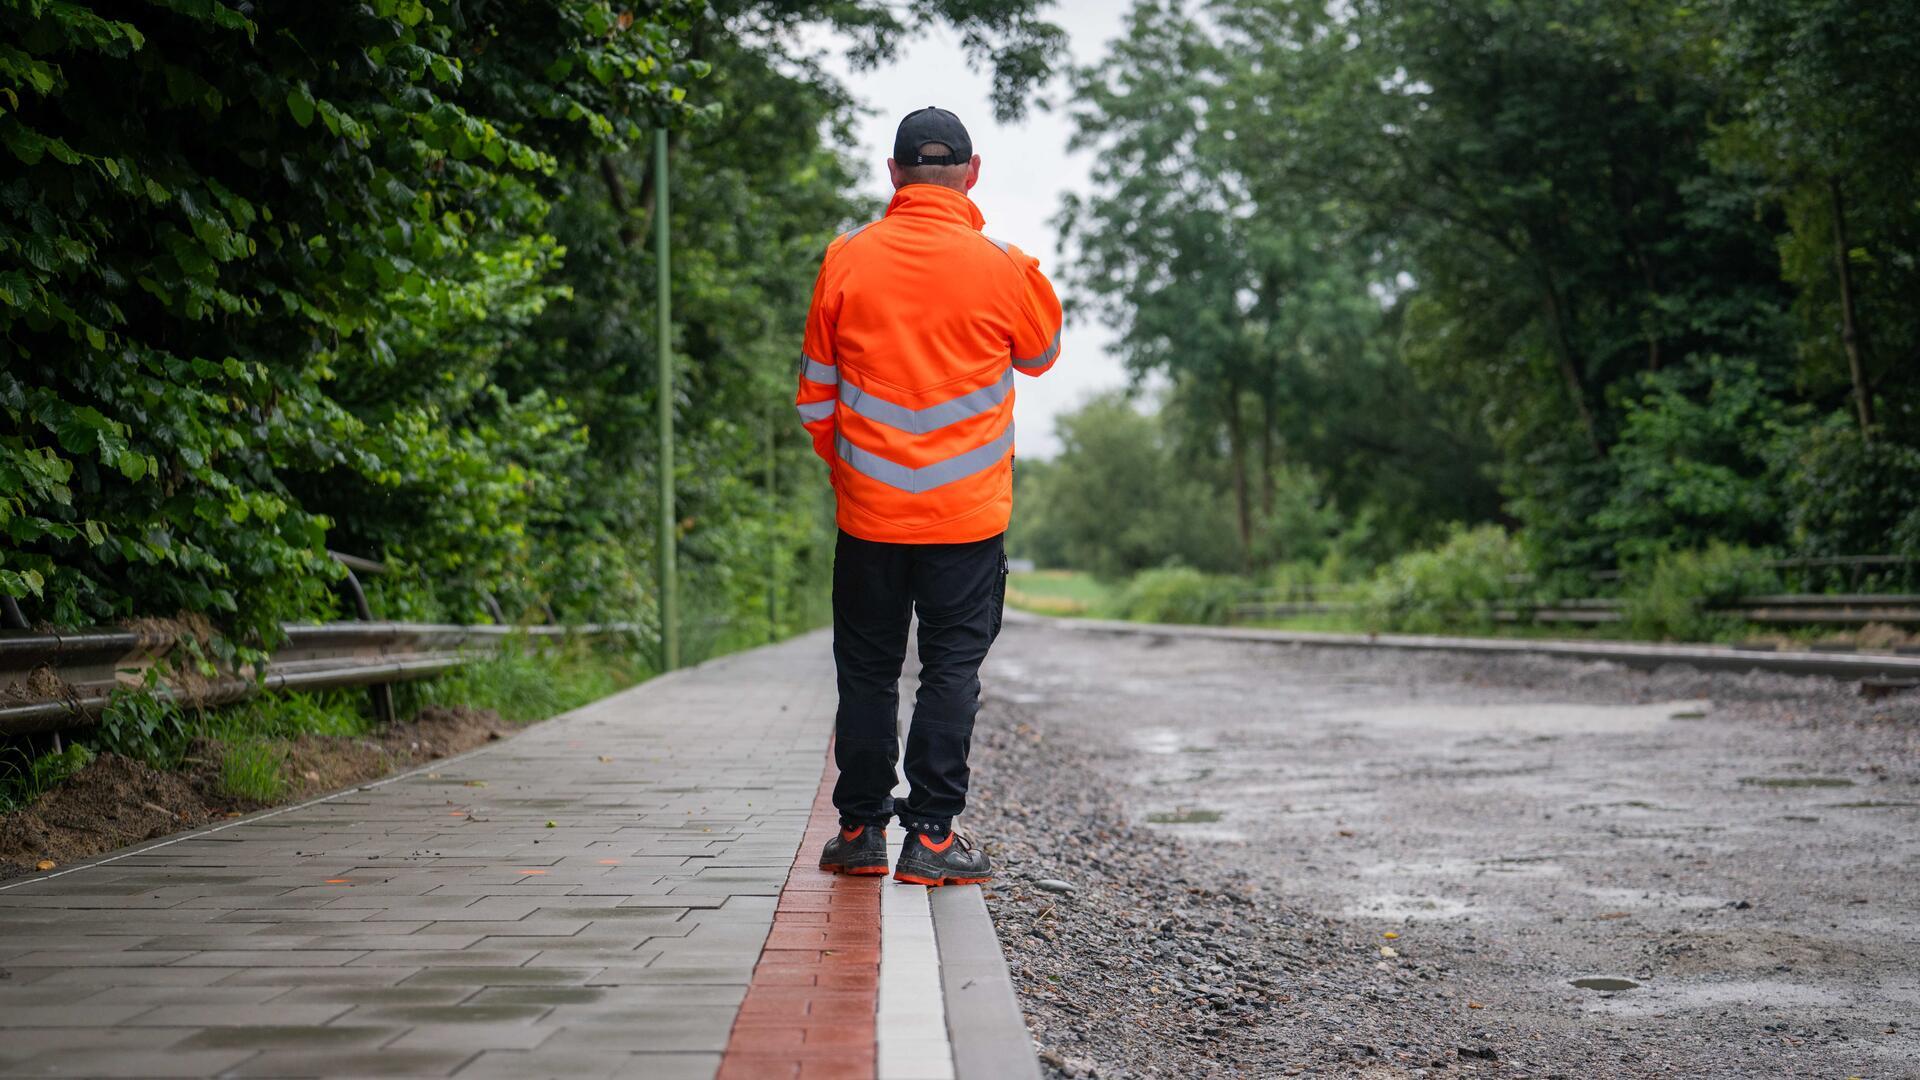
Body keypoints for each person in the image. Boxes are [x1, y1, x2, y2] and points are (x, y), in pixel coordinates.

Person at [795, 106, 1063, 886]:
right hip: (967, 522)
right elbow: (1043, 354)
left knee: (868, 672)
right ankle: (934, 839)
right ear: (971, 174)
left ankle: (858, 831)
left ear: (893, 174)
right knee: (951, 669)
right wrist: (1021, 267)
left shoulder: (845, 260)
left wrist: (852, 473)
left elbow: (816, 398)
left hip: (871, 515)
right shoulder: (1002, 265)